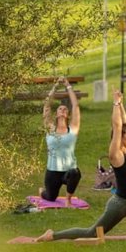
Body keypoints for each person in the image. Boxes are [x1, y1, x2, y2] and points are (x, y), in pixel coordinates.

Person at [35, 90, 126, 242]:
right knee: (91, 233)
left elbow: (124, 123)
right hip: (120, 206)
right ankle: (53, 235)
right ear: (119, 137)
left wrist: (120, 104)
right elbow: (118, 125)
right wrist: (114, 103)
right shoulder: (116, 155)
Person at [39, 77, 82, 206]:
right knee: (50, 197)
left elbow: (75, 105)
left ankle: (68, 200)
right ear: (56, 114)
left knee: (75, 173)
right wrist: (55, 86)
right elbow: (46, 105)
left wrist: (68, 85)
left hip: (68, 170)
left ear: (67, 115)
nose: (63, 110)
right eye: (60, 109)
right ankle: (42, 192)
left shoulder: (73, 129)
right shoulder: (50, 128)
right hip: (52, 171)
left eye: (65, 109)